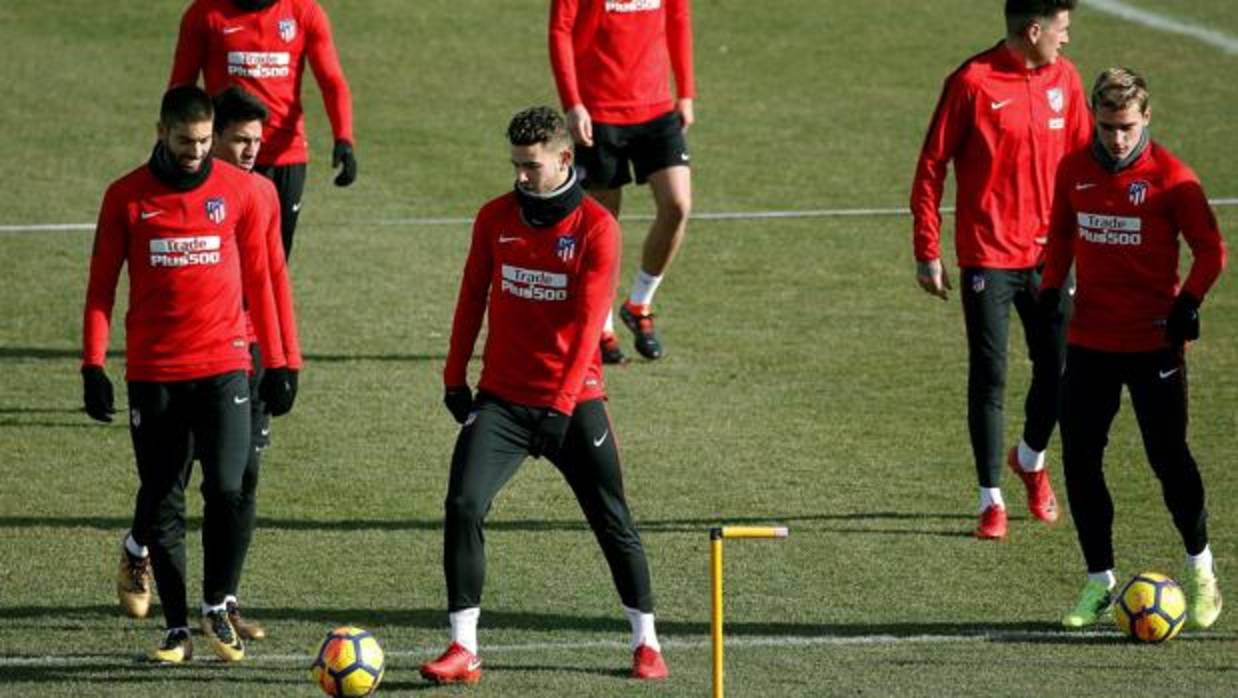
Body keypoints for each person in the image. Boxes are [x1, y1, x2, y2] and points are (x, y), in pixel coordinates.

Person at [419, 107, 668, 685]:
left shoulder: (598, 229)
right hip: (502, 401)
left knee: (612, 518)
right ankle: (463, 648)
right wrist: (454, 377)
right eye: (515, 165)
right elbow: (470, 297)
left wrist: (559, 407)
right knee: (463, 505)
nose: (522, 176)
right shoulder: (494, 218)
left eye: (531, 166)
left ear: (564, 160)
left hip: (573, 402)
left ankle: (646, 641)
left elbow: (587, 330)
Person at [83, 85, 297, 664]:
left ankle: (217, 605)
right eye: (185, 141)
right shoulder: (126, 197)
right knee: (163, 501)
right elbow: (101, 286)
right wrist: (93, 364)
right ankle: (177, 628)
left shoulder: (243, 192)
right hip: (153, 374)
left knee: (229, 488)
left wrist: (281, 362)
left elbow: (265, 283)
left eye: (204, 141)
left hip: (226, 365)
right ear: (162, 132)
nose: (196, 152)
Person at [1041, 67, 1226, 629]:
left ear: (1146, 117)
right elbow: (1062, 234)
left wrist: (1188, 301)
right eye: (1105, 126)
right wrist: (1052, 288)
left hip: (1153, 345)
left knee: (1168, 459)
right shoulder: (1074, 170)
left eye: (1125, 126)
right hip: (1090, 340)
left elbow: (1212, 250)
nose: (1115, 138)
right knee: (1079, 458)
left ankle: (1201, 568)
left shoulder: (1171, 178)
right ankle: (1099, 581)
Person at [909, 0, 1091, 539]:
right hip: (987, 255)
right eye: (1061, 29)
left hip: (1051, 255)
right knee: (990, 375)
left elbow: (1086, 162)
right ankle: (991, 498)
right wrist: (927, 247)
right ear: (1033, 30)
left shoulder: (1067, 78)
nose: (1066, 39)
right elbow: (931, 164)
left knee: (1060, 371)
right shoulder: (972, 81)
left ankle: (1030, 461)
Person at [549, 0, 695, 363]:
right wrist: (572, 103)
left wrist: (686, 92)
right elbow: (560, 31)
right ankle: (602, 322)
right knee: (603, 228)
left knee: (677, 205)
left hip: (657, 109)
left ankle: (639, 304)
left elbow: (678, 20)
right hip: (598, 113)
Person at [169, 0, 357, 259]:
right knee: (224, 262)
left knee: (274, 261)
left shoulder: (304, 12)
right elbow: (181, 88)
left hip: (285, 158)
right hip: (225, 159)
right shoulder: (204, 14)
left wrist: (344, 138)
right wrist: (173, 142)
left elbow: (332, 83)